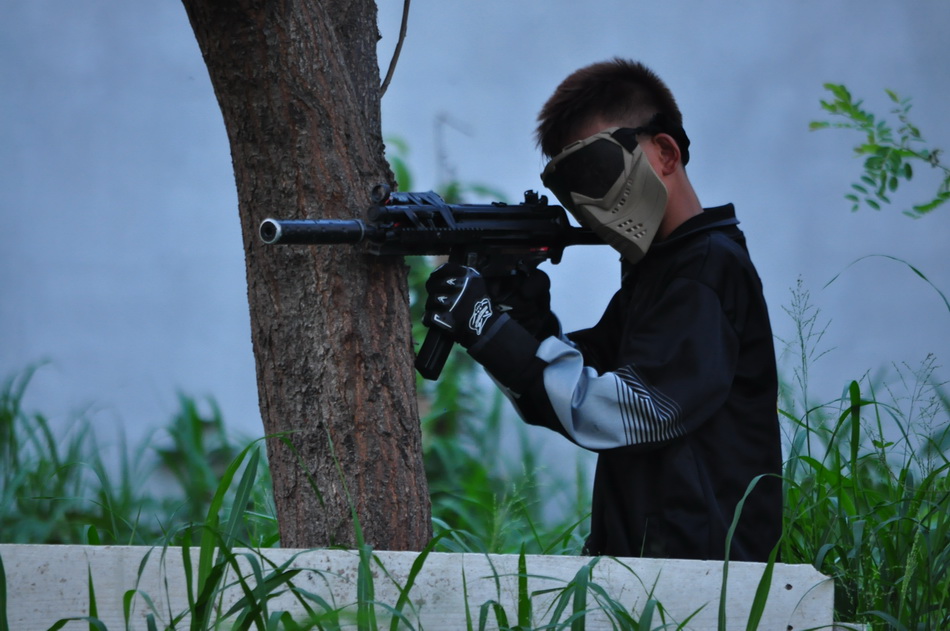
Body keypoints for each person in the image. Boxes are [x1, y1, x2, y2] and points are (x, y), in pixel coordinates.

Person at [421, 58, 783, 561]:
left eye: (594, 170)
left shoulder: (705, 269)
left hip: (709, 580)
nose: (586, 203)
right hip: (660, 572)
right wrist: (515, 310)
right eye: (568, 185)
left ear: (665, 152)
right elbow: (567, 392)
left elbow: (626, 409)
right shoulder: (664, 272)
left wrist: (489, 327)